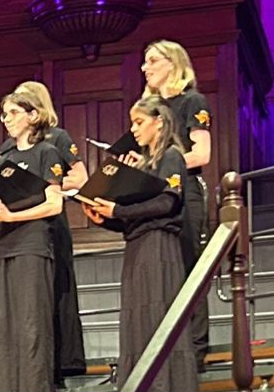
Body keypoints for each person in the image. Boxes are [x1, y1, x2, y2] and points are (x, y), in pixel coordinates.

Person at [81, 95, 197, 392]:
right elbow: (131, 216)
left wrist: (117, 211)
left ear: (159, 122)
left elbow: (168, 202)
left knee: (158, 318)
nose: (133, 129)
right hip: (137, 245)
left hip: (159, 246)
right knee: (137, 323)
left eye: (139, 122)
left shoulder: (171, 156)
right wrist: (103, 217)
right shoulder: (145, 165)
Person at [0, 91, 67, 392]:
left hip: (33, 246)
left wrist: (12, 217)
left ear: (33, 116)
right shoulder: (7, 157)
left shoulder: (46, 152)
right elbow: (1, 203)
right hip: (5, 245)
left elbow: (55, 205)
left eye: (13, 113)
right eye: (4, 115)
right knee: (5, 327)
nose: (6, 120)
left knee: (31, 327)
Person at [139, 39, 213, 362]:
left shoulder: (192, 101)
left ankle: (194, 350)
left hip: (185, 192)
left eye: (153, 60)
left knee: (188, 268)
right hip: (154, 196)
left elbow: (203, 153)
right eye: (144, 62)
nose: (146, 67)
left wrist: (164, 163)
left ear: (173, 63)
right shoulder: (148, 110)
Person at [14, 81, 87, 378]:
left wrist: (42, 182)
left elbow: (79, 177)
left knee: (57, 288)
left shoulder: (57, 138)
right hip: (21, 226)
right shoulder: (13, 144)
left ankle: (63, 362)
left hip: (50, 223)